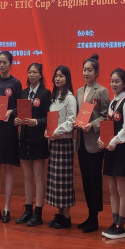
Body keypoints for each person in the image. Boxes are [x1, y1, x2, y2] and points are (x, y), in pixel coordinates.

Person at [75, 54, 110, 233]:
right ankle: (90, 215)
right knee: (86, 180)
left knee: (95, 181)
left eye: (89, 70)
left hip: (95, 142)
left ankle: (94, 217)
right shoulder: (79, 91)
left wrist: (93, 125)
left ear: (96, 72)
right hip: (81, 142)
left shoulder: (102, 91)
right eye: (84, 70)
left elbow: (105, 116)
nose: (86, 73)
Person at [0, 51, 22, 223]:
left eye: (4, 62)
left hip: (9, 129)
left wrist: (11, 111)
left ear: (10, 64)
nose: (1, 65)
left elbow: (19, 107)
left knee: (8, 168)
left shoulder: (16, 83)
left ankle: (7, 208)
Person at [14, 62, 52, 226]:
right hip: (25, 139)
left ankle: (38, 212)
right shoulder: (23, 93)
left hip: (38, 140)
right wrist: (17, 120)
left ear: (40, 75)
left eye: (35, 72)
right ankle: (28, 210)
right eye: (29, 72)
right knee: (27, 177)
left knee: (38, 177)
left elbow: (48, 117)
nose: (31, 75)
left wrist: (37, 122)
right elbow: (19, 113)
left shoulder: (45, 93)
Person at [97, 68, 125, 239]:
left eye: (117, 81)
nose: (113, 84)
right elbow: (107, 127)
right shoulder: (112, 103)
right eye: (112, 81)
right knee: (112, 189)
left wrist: (112, 142)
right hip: (109, 150)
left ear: (124, 83)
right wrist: (102, 140)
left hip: (120, 150)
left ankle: (121, 226)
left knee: (121, 190)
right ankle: (114, 222)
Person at [45, 65, 78, 229]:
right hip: (54, 142)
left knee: (64, 181)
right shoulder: (54, 97)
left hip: (64, 142)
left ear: (67, 78)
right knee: (55, 181)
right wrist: (47, 131)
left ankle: (66, 216)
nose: (58, 79)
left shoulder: (70, 98)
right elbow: (51, 119)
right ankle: (59, 214)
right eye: (56, 76)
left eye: (61, 76)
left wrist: (56, 131)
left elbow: (71, 121)